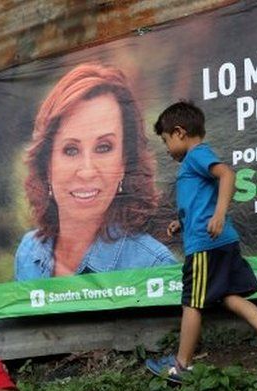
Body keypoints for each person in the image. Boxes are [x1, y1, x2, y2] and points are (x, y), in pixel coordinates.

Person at [145, 102, 257, 381]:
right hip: (221, 242)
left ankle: (182, 366)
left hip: (205, 245)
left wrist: (218, 214)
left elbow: (227, 174)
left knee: (192, 301)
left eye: (166, 141)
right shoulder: (196, 159)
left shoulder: (196, 155)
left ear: (179, 132)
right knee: (230, 297)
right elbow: (199, 200)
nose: (166, 149)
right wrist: (183, 222)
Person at [14, 63, 176, 280]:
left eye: (104, 147)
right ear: (47, 165)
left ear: (124, 163)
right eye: (70, 150)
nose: (87, 171)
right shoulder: (29, 252)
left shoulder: (154, 266)